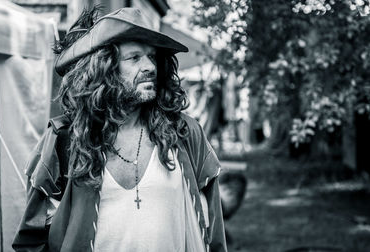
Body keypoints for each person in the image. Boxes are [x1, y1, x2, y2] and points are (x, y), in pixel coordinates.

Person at [13, 7, 227, 252]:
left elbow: (213, 233)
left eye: (151, 56)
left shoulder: (184, 133)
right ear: (103, 70)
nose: (150, 67)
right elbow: (32, 237)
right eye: (134, 58)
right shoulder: (65, 138)